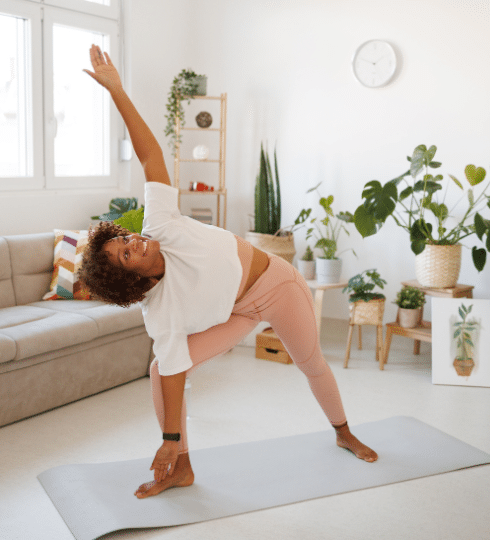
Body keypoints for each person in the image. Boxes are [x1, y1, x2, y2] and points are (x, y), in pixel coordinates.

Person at [80, 45, 378, 500]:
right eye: (126, 254)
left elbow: (149, 157)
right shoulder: (160, 312)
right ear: (130, 279)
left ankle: (343, 431)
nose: (135, 241)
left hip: (275, 286)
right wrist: (171, 438)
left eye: (125, 238)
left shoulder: (162, 223)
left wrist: (118, 91)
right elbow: (177, 369)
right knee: (162, 368)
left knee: (311, 363)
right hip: (235, 313)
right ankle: (182, 467)